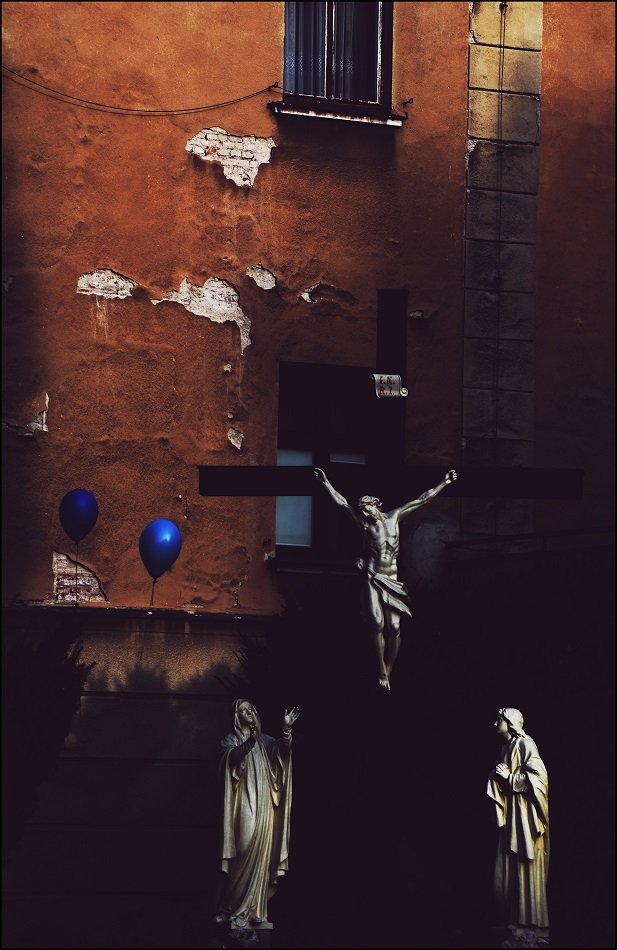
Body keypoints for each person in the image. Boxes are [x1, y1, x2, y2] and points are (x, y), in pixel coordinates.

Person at [314, 466, 457, 689]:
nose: (365, 514)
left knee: (395, 628)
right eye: (363, 511)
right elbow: (342, 504)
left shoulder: (395, 516)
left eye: (367, 509)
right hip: (373, 576)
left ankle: (388, 669)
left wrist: (444, 482)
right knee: (376, 622)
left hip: (392, 579)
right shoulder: (365, 526)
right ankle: (381, 668)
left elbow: (422, 500)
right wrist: (325, 483)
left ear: (376, 505)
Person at [215, 699, 300, 931]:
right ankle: (231, 909)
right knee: (242, 849)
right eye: (243, 710)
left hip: (264, 808)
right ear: (236, 716)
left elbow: (283, 752)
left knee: (262, 854)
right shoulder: (231, 740)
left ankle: (255, 910)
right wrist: (249, 743)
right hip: (243, 804)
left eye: (251, 709)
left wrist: (286, 729)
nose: (248, 712)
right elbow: (229, 759)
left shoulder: (266, 742)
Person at [487, 708, 550, 937]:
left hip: (525, 816)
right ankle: (516, 919)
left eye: (499, 720)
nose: (495, 723)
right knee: (512, 864)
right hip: (513, 815)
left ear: (510, 722)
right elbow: (499, 780)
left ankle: (531, 924)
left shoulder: (525, 744)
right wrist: (497, 778)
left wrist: (509, 778)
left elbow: (540, 780)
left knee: (525, 861)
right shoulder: (505, 749)